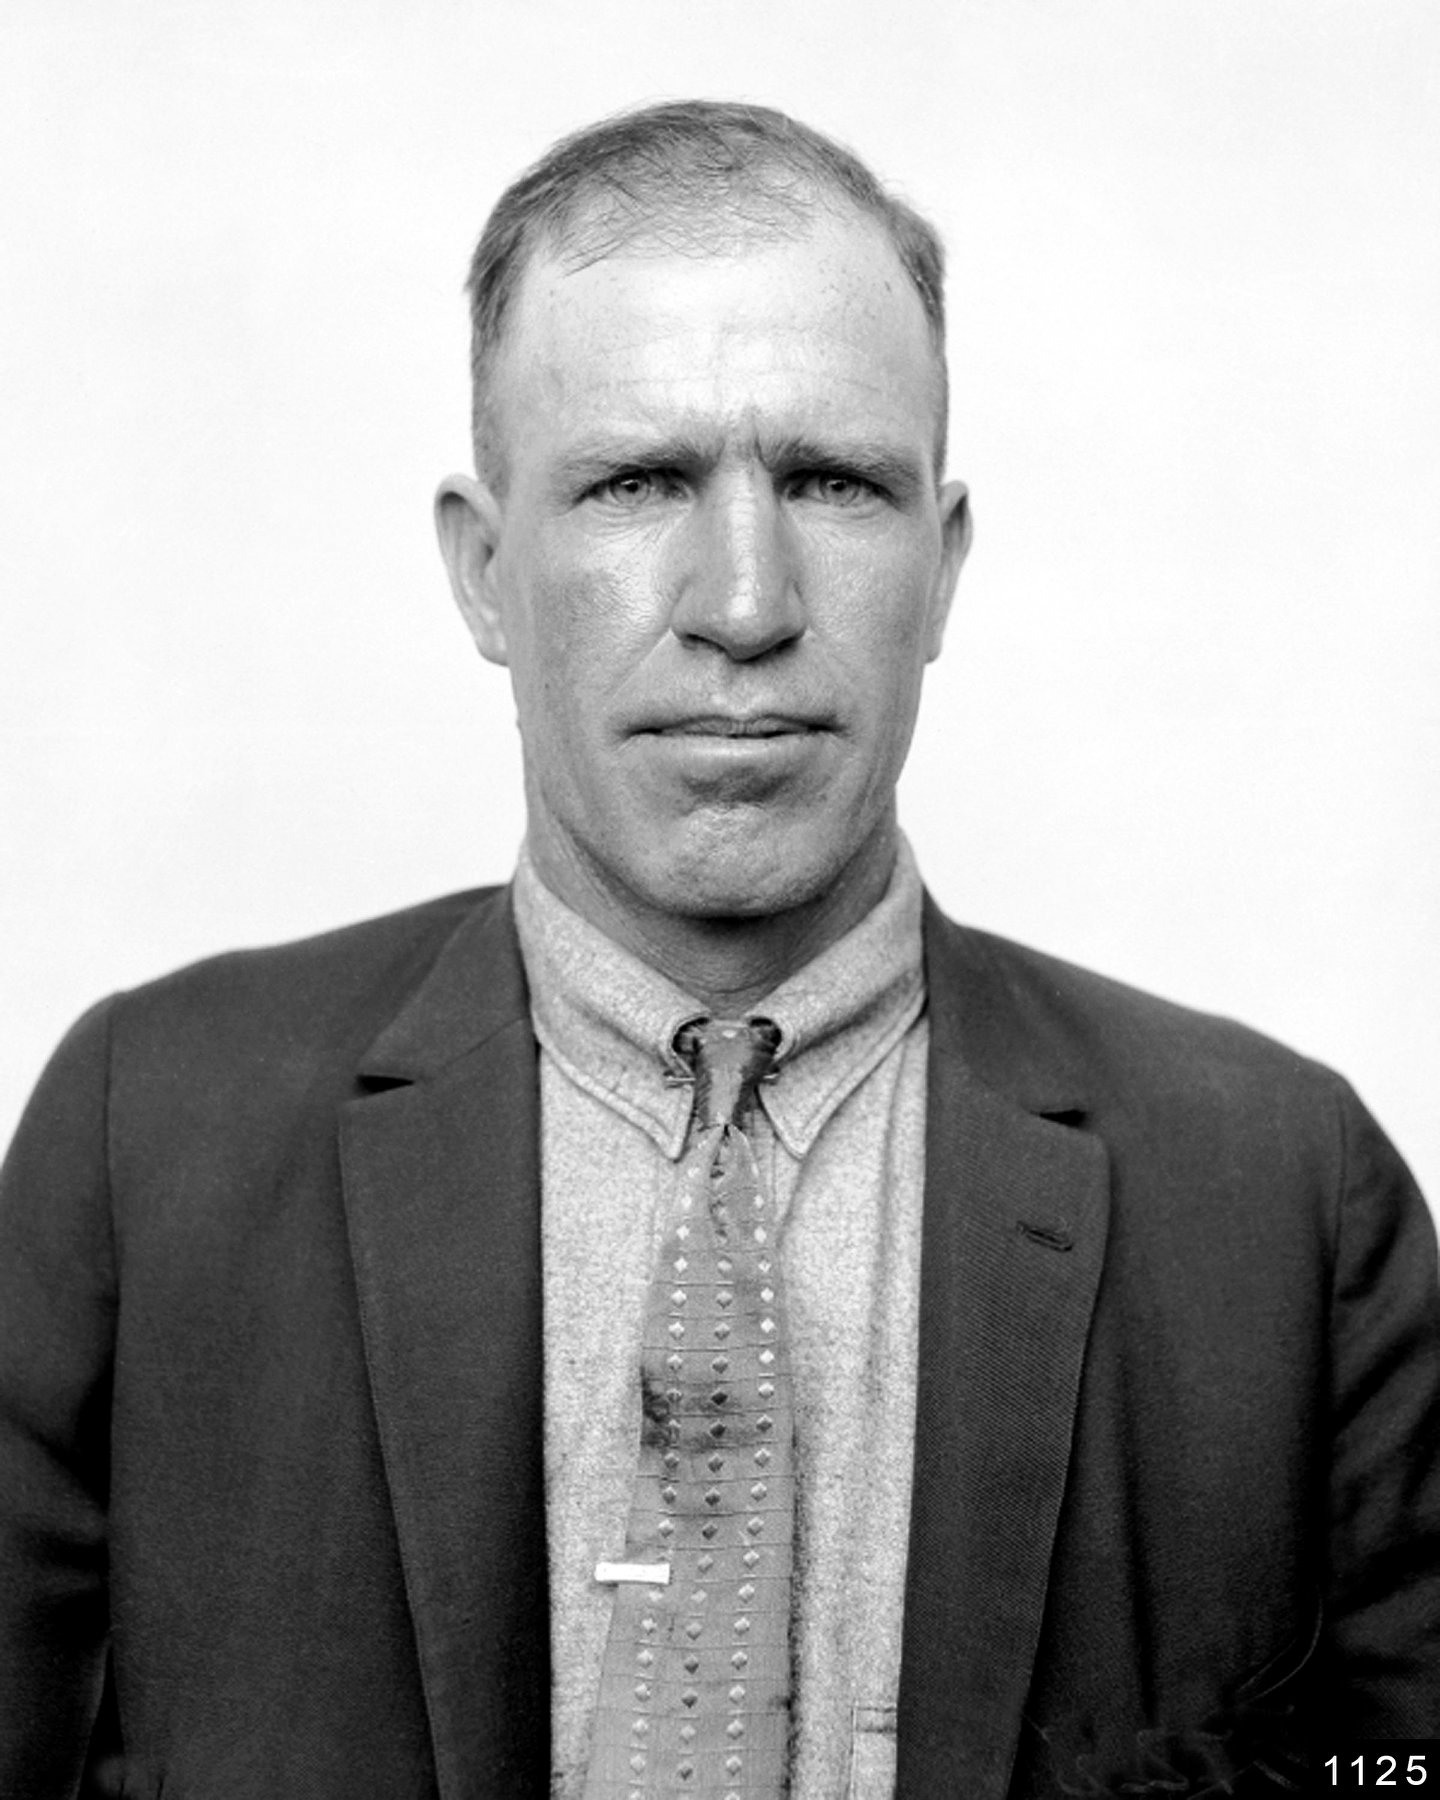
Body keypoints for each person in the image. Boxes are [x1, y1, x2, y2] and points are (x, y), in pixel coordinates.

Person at [1, 100, 1437, 1800]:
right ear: (483, 570)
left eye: (833, 483)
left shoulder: (1285, 1205)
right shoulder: (141, 1148)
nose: (745, 604)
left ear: (943, 567)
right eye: (637, 483)